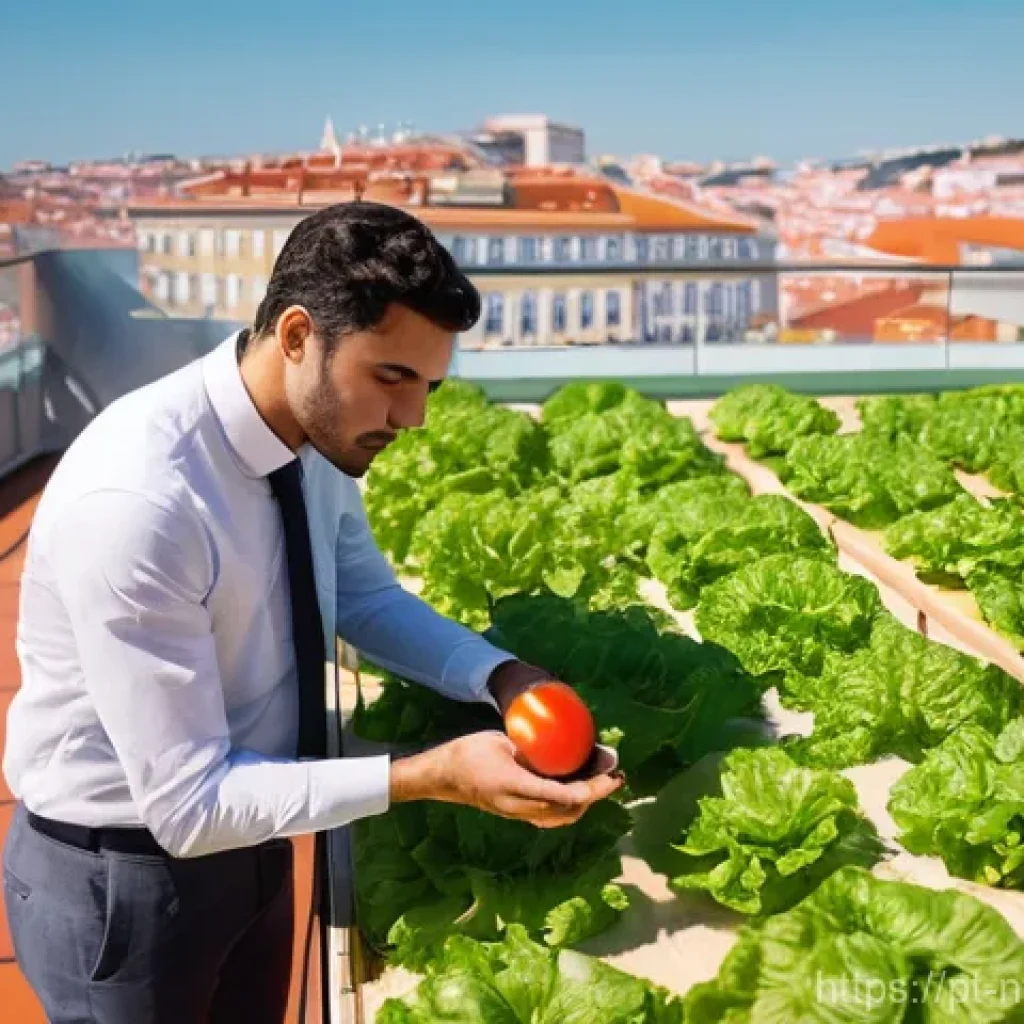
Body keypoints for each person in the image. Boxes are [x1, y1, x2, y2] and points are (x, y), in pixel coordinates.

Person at [2, 201, 622, 1024]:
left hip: (257, 839)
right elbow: (187, 807)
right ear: (298, 335)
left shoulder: (315, 433)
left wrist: (501, 677)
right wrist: (432, 779)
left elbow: (363, 598)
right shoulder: (142, 501)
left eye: (430, 385)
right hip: (128, 880)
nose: (414, 418)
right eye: (391, 378)